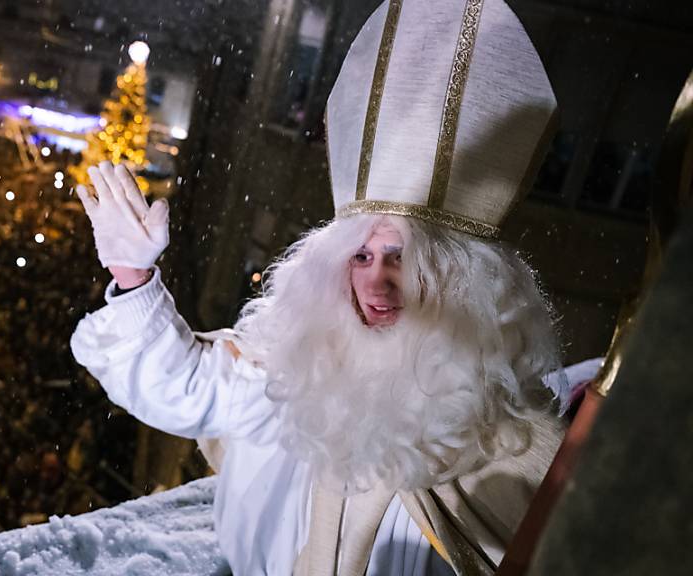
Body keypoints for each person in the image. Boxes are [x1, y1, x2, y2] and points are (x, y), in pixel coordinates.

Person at [71, 0, 595, 574]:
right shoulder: (294, 366)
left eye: (402, 258)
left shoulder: (506, 444)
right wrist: (134, 277)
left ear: (457, 281)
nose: (377, 278)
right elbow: (186, 387)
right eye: (362, 254)